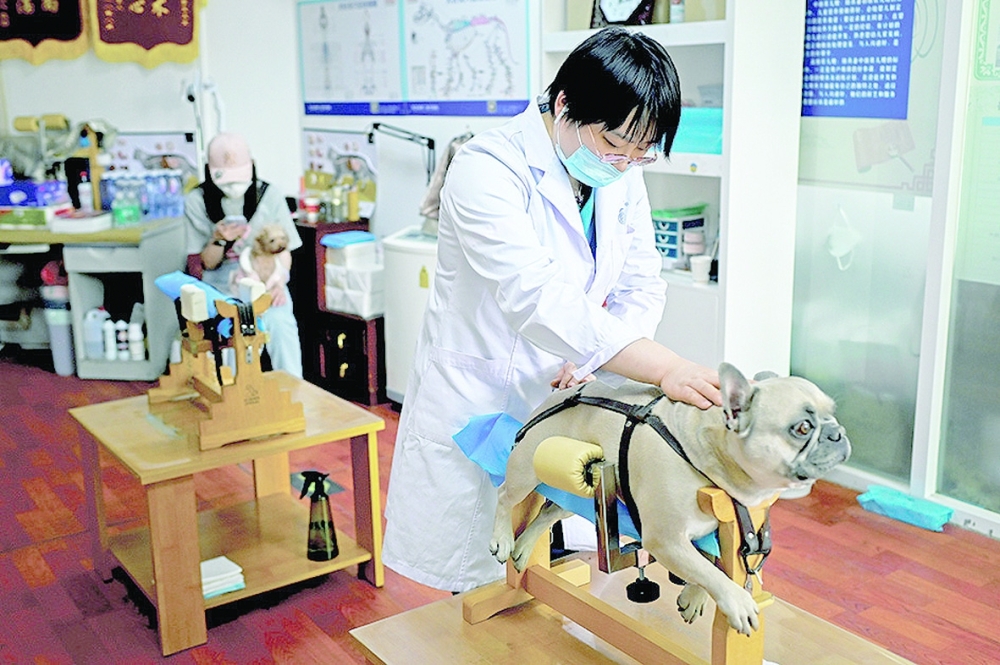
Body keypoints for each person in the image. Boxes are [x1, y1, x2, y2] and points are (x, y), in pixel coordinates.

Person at [381, 27, 723, 594]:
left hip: (571, 396)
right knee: (485, 579)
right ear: (565, 105)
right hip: (487, 395)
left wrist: (602, 360)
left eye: (644, 151)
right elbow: (536, 298)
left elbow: (642, 284)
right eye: (617, 144)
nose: (628, 162)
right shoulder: (486, 167)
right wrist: (663, 367)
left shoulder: (619, 172)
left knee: (558, 558)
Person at [184, 132, 304, 378]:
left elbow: (284, 252)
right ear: (210, 171)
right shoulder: (197, 200)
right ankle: (235, 395)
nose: (233, 187)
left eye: (238, 179)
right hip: (223, 283)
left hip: (267, 276)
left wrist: (278, 280)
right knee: (232, 334)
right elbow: (205, 263)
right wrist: (219, 239)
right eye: (226, 181)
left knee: (281, 325)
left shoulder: (269, 195)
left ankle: (295, 392)